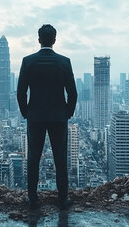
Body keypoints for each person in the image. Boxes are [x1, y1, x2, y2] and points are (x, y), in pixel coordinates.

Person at [17, 24, 77, 210]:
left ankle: (33, 199)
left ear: (39, 39)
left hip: (35, 117)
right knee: (60, 158)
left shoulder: (28, 61)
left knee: (33, 158)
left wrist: (26, 112)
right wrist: (67, 113)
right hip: (58, 117)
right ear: (54, 40)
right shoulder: (64, 62)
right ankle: (62, 200)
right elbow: (72, 93)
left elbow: (20, 92)